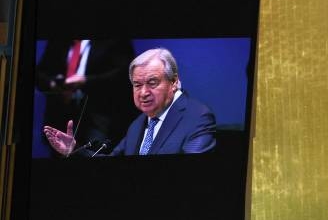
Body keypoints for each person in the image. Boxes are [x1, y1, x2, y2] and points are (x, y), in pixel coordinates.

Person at [42, 47, 216, 156]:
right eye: (137, 85)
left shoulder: (197, 117)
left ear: (174, 82)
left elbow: (194, 176)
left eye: (152, 83)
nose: (143, 93)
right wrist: (74, 150)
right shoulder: (138, 124)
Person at [35, 38, 136, 155]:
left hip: (98, 115)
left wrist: (86, 81)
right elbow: (40, 74)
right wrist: (53, 83)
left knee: (95, 154)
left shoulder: (114, 41)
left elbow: (124, 75)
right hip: (60, 116)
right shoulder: (57, 41)